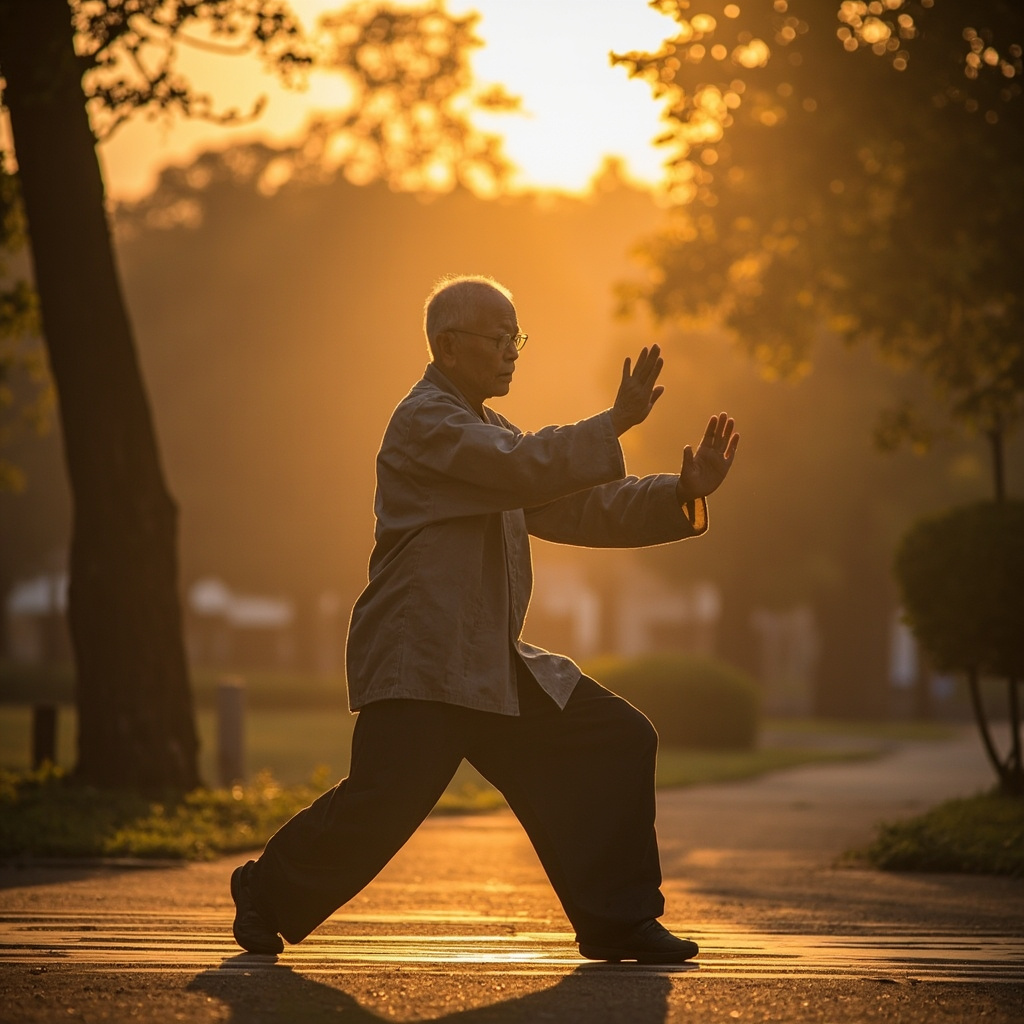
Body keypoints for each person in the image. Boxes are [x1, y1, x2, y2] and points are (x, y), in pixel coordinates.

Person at [231, 274, 739, 963]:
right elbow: (529, 466)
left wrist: (681, 491)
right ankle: (265, 892)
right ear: (446, 346)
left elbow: (578, 506)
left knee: (616, 739)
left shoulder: (488, 432)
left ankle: (619, 921)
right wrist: (613, 422)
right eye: (498, 339)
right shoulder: (424, 423)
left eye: (516, 338)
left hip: (489, 668)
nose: (512, 352)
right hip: (424, 662)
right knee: (381, 805)